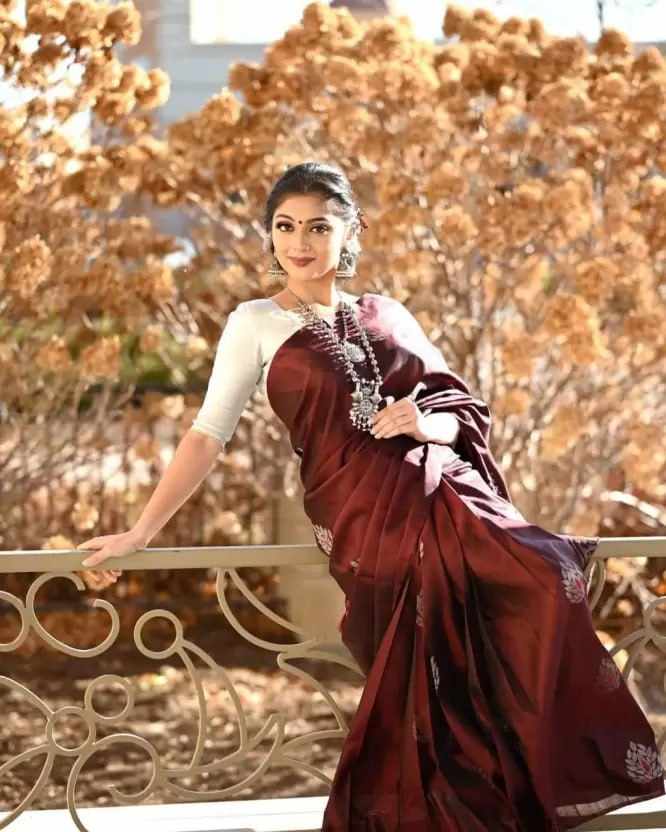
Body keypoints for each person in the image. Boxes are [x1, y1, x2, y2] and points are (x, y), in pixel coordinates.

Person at [77, 161, 664, 830]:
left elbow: (460, 411)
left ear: (352, 230)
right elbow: (208, 434)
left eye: (318, 227)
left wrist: (423, 422)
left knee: (547, 574)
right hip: (359, 510)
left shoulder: (389, 313)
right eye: (285, 227)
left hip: (442, 484)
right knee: (431, 639)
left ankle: (529, 778)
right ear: (269, 235)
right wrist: (141, 532)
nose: (300, 242)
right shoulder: (255, 322)